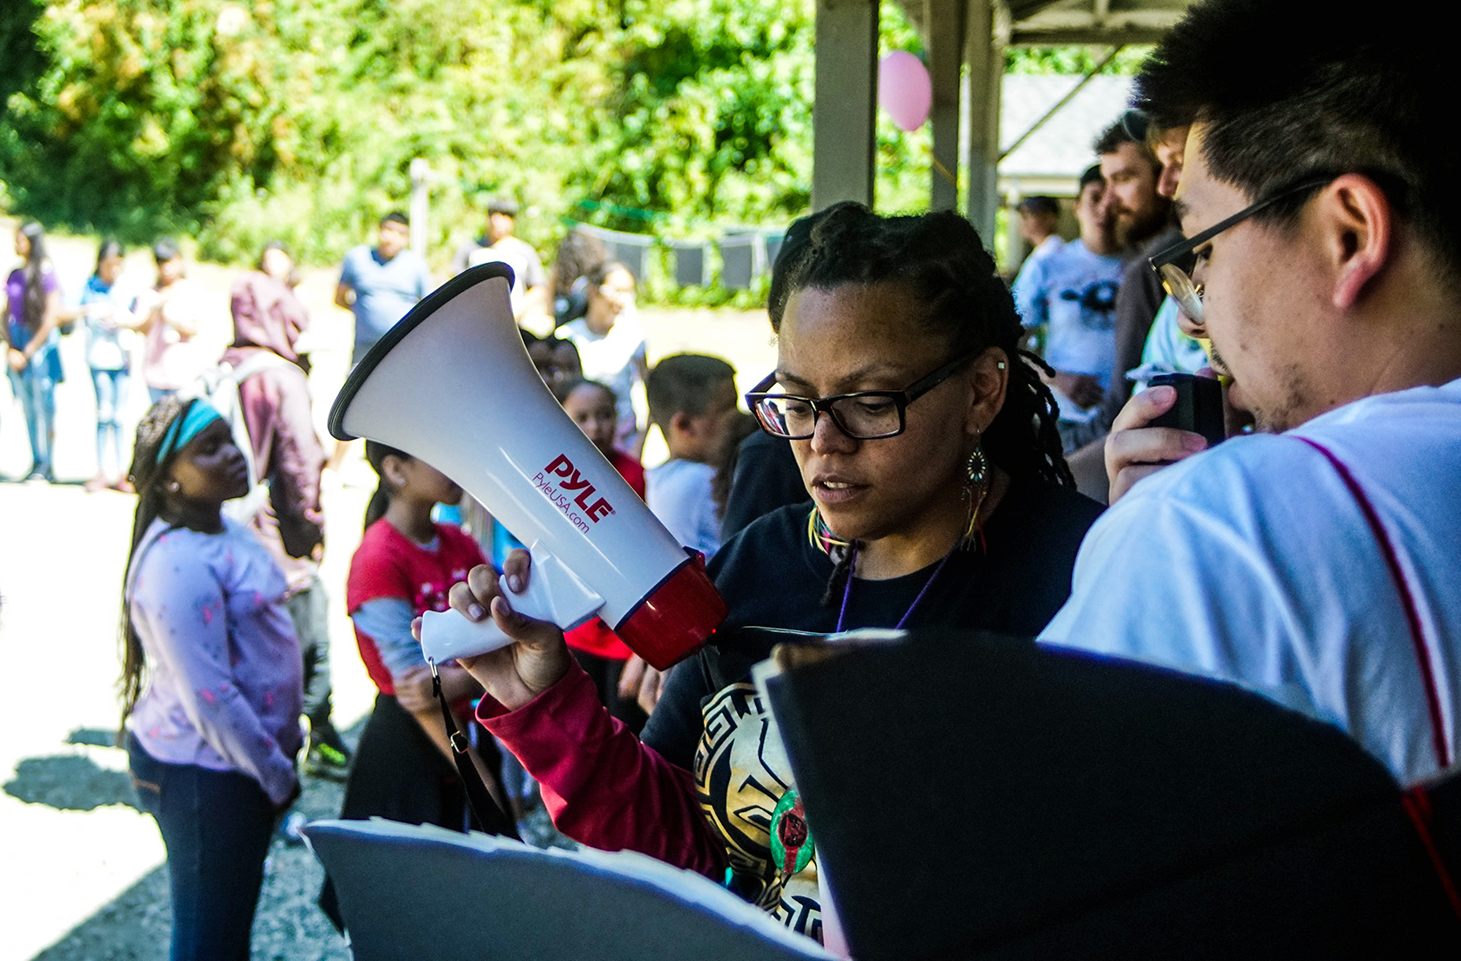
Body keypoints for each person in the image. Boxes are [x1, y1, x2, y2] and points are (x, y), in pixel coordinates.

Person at [441, 203, 1104, 941]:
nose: (823, 441)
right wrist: (543, 703)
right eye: (794, 399)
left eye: (868, 400)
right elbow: (676, 840)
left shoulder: (1088, 578)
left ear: (981, 389)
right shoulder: (756, 563)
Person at [1038, 0, 1461, 786]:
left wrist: (1149, 539)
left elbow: (958, 884)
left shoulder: (1214, 532)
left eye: (1201, 247)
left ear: (1349, 235)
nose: (1197, 310)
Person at [120, 395, 303, 961]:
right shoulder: (176, 564)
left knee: (225, 925)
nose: (232, 455)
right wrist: (276, 776)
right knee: (209, 941)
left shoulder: (224, 528)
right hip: (208, 773)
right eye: (208, 450)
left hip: (236, 765)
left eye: (229, 440)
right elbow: (211, 697)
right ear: (170, 481)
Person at [319, 440, 503, 924]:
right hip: (414, 747)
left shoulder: (456, 540)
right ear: (395, 469)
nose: (454, 462)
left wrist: (458, 683)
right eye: (436, 451)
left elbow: (507, 634)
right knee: (400, 907)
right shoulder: (377, 558)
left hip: (465, 728)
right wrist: (476, 771)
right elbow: (412, 687)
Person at [225, 242, 351, 779]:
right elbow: (301, 468)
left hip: (232, 531)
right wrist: (313, 531)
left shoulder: (229, 365)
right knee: (310, 642)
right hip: (280, 542)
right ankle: (310, 736)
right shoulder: (281, 377)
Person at [553, 376, 649, 731]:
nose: (595, 427)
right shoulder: (551, 476)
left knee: (627, 728)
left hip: (626, 633)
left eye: (605, 415)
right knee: (584, 728)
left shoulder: (636, 476)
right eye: (582, 417)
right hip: (576, 630)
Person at [1012, 165, 1126, 448]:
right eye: (1094, 198)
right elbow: (1010, 341)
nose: (1104, 208)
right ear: (1076, 207)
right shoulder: (1048, 264)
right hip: (1062, 420)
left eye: (1113, 199)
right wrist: (1056, 378)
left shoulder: (1141, 269)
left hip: (1126, 420)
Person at [643, 353, 741, 558]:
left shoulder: (662, 478)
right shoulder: (699, 481)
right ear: (684, 425)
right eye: (726, 409)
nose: (739, 418)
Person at [556, 261, 648, 456]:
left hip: (625, 444)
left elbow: (650, 395)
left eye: (628, 292)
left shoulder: (633, 337)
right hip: (578, 446)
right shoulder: (567, 337)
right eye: (616, 291)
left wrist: (638, 446)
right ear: (592, 291)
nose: (623, 300)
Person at [77, 239, 141, 492]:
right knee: (104, 414)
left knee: (120, 417)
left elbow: (139, 320)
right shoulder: (90, 287)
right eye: (108, 265)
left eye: (118, 265)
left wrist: (123, 320)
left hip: (122, 358)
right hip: (98, 358)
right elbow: (71, 312)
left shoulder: (128, 288)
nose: (113, 270)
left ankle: (123, 471)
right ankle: (102, 470)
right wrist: (91, 310)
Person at [3, 221, 63, 481]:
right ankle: (35, 459)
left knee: (45, 407)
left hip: (39, 346)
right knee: (28, 408)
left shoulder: (46, 274)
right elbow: (5, 313)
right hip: (17, 343)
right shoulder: (15, 274)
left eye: (21, 240)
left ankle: (48, 464)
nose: (17, 245)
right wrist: (10, 347)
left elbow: (50, 318)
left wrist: (28, 351)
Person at [336, 212, 433, 366]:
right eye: (389, 231)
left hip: (402, 348)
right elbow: (339, 297)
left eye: (400, 233)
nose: (393, 238)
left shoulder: (416, 265)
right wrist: (365, 313)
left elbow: (429, 306)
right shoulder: (357, 258)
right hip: (365, 349)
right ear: (379, 230)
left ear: (407, 238)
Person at [453, 196, 551, 330]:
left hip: (515, 325)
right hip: (475, 324)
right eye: (493, 215)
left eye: (504, 216)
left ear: (512, 220)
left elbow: (539, 288)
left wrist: (518, 309)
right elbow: (455, 285)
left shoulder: (524, 252)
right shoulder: (470, 249)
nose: (497, 221)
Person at [135, 239, 206, 404]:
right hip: (154, 372)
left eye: (169, 262)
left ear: (179, 261)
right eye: (161, 263)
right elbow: (142, 329)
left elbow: (194, 328)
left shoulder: (189, 290)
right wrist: (155, 309)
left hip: (180, 372)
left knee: (180, 424)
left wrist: (171, 318)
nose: (166, 268)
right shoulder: (150, 293)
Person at [1012, 195, 1064, 271]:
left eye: (1028, 214)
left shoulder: (1052, 252)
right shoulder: (1042, 251)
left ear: (1048, 218)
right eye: (1021, 215)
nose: (1023, 220)